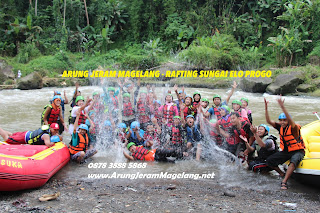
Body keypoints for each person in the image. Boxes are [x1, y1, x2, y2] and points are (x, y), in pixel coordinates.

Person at [264, 97, 305, 190]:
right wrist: (266, 107)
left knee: (293, 162)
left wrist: (282, 107)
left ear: (288, 121)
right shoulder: (280, 127)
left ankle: (284, 182)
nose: (282, 122)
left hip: (298, 151)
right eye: (281, 120)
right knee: (269, 161)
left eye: (284, 120)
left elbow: (291, 121)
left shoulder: (294, 128)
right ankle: (282, 173)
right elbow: (268, 121)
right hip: (287, 151)